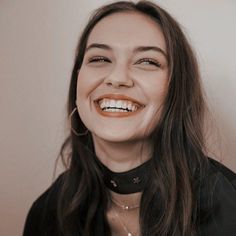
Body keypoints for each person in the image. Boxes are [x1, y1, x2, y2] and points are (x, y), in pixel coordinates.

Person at [23, 1, 236, 235]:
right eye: (100, 59)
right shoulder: (46, 214)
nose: (117, 77)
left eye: (147, 61)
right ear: (78, 83)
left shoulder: (229, 207)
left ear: (177, 90)